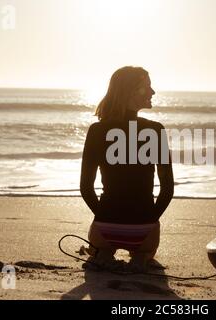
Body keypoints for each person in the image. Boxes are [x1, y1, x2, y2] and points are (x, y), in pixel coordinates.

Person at [80, 66, 174, 270]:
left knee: (99, 246)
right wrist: (149, 219)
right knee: (144, 252)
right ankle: (141, 258)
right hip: (145, 230)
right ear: (132, 92)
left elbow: (86, 187)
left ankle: (104, 252)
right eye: (147, 86)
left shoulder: (97, 130)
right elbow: (167, 189)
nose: (153, 92)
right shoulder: (155, 130)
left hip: (105, 227)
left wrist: (104, 215)